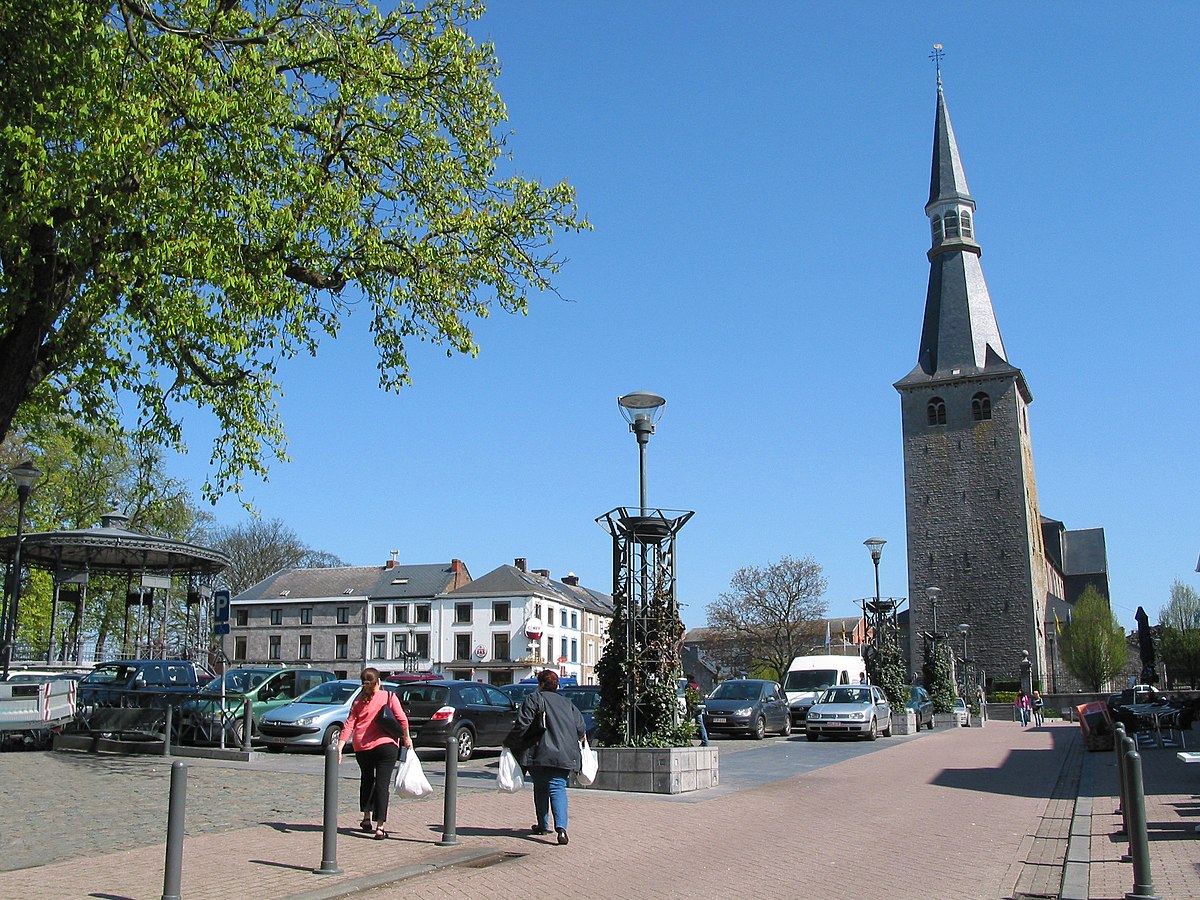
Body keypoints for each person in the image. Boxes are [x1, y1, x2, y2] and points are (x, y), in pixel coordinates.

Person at [505, 669, 586, 845]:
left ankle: (542, 825)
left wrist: (509, 743)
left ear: (540, 684)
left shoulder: (534, 699)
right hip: (565, 754)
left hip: (538, 752)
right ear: (556, 685)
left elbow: (522, 724)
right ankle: (561, 829)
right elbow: (580, 728)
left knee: (541, 787)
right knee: (558, 787)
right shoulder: (567, 703)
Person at [338, 667, 412, 840]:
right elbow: (402, 719)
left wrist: (340, 747)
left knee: (366, 780)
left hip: (362, 747)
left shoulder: (358, 702)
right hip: (386, 746)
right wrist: (407, 738)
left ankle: (366, 818)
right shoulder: (389, 697)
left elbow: (348, 725)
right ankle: (380, 827)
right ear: (379, 682)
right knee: (382, 784)